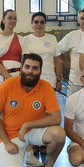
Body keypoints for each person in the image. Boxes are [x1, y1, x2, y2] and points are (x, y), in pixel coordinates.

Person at [0, 53, 66, 167]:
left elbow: (56, 118)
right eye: (27, 67)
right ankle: (10, 165)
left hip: (36, 132)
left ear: (40, 71)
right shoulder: (7, 86)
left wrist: (27, 125)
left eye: (35, 68)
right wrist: (7, 142)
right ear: (21, 68)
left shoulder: (46, 87)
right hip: (12, 135)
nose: (30, 71)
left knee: (59, 134)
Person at [0, 10, 42, 167]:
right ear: (3, 19)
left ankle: (30, 154)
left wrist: (20, 79)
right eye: (9, 18)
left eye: (14, 18)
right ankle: (7, 145)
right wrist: (10, 80)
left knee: (26, 115)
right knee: (8, 116)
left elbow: (26, 60)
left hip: (21, 79)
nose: (12, 21)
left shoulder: (21, 39)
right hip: (3, 81)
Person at [22, 12, 63, 156]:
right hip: (32, 80)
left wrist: (59, 79)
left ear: (45, 24)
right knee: (33, 111)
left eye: (41, 22)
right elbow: (25, 62)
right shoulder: (26, 40)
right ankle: (33, 142)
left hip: (49, 79)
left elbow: (57, 60)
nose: (39, 24)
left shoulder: (52, 38)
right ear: (32, 24)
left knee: (48, 112)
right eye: (36, 22)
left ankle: (45, 141)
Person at [58, 9, 84, 97]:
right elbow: (57, 50)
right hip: (75, 80)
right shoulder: (72, 35)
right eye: (82, 18)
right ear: (78, 20)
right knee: (73, 108)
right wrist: (66, 62)